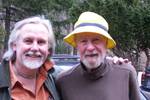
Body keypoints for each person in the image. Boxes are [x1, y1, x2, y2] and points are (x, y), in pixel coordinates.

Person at [56, 11, 141, 100]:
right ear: (77, 45)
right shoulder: (63, 81)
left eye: (96, 40)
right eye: (83, 41)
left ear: (106, 44)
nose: (90, 48)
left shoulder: (126, 74)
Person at [0, 16, 60, 100]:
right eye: (28, 41)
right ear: (14, 45)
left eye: (41, 42)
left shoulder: (58, 79)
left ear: (48, 50)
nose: (35, 48)